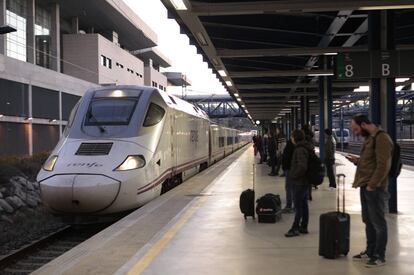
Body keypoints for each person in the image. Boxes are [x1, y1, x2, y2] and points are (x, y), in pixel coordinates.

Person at [347, 114, 393, 268]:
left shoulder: (382, 139)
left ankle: (380, 255)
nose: (356, 133)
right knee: (368, 220)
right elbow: (371, 161)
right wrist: (358, 161)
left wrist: (372, 185)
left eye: (356, 129)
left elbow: (383, 165)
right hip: (365, 185)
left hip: (375, 188)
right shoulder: (370, 139)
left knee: (378, 222)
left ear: (364, 124)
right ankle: (370, 250)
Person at [285, 129, 314, 237]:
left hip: (299, 182)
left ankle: (295, 228)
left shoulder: (299, 149)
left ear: (295, 138)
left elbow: (302, 166)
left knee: (298, 206)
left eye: (292, 137)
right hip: (305, 181)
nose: (291, 139)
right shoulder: (306, 147)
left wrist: (293, 175)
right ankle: (304, 226)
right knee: (303, 204)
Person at [281, 135, 295, 213]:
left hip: (290, 169)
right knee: (292, 188)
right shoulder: (294, 146)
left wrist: (285, 167)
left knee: (289, 187)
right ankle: (293, 206)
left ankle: (289, 206)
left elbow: (286, 157)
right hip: (291, 169)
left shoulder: (291, 146)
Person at [302, 124, 316, 200]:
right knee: (309, 179)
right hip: (311, 160)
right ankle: (309, 195)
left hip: (305, 159)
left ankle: (306, 194)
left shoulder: (305, 138)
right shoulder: (311, 136)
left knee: (304, 179)